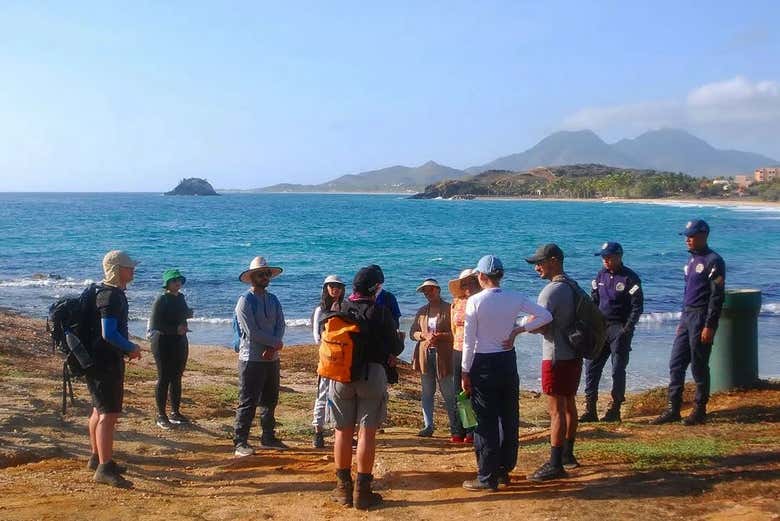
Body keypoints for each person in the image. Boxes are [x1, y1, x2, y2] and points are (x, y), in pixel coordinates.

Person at [460, 255, 552, 491]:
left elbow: (469, 341)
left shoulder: (475, 301)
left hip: (483, 363)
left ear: (481, 276)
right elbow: (546, 316)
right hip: (507, 360)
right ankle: (503, 470)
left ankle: (486, 476)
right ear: (500, 275)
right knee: (508, 415)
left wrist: (464, 371)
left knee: (486, 420)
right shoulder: (515, 297)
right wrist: (518, 330)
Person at [329, 267, 403, 510]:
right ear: (376, 287)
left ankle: (342, 489)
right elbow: (395, 347)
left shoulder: (340, 308)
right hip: (372, 375)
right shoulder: (380, 312)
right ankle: (362, 491)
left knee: (342, 432)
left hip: (341, 375)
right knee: (366, 434)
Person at [652, 219, 725, 426]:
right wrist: (683, 319)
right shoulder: (691, 261)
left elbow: (717, 296)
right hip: (687, 317)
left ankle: (700, 409)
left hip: (702, 317)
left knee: (699, 364)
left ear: (703, 235)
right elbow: (687, 292)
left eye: (691, 236)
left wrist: (710, 325)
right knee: (676, 363)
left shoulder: (714, 261)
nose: (687, 240)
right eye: (686, 236)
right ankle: (673, 408)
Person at [524, 243, 584, 482]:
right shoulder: (573, 285)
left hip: (555, 356)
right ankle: (568, 454)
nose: (536, 267)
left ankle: (555, 463)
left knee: (555, 410)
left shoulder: (550, 291)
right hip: (574, 354)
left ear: (554, 261)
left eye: (540, 262)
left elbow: (539, 325)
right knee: (569, 403)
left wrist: (523, 325)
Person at [86, 250, 142, 488]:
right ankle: (104, 468)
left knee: (98, 411)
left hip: (95, 361)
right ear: (118, 270)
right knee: (108, 415)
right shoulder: (111, 296)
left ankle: (97, 457)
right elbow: (108, 333)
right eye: (129, 267)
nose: (133, 270)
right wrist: (131, 347)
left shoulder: (102, 292)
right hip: (105, 363)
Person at [580, 242, 643, 423]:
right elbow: (594, 301)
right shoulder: (600, 275)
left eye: (608, 257)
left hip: (619, 328)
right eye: (603, 257)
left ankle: (615, 409)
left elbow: (637, 307)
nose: (605, 261)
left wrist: (626, 329)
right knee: (591, 367)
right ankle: (590, 409)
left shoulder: (630, 278)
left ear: (618, 257)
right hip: (600, 329)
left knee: (617, 369)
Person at [233, 256, 287, 457]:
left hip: (271, 358)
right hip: (251, 359)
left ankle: (268, 437)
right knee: (247, 401)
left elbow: (281, 324)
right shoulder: (244, 301)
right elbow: (251, 331)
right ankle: (240, 442)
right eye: (260, 274)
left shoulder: (273, 299)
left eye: (266, 274)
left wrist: (273, 347)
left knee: (270, 400)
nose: (265, 277)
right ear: (252, 277)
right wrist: (274, 343)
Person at [409, 278, 459, 440]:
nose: (427, 293)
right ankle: (428, 425)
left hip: (444, 356)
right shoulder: (422, 311)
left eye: (430, 290)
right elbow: (412, 333)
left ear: (438, 290)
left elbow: (457, 333)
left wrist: (440, 336)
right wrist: (424, 335)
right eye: (425, 291)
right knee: (427, 392)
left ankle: (455, 427)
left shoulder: (449, 309)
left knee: (448, 393)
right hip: (425, 355)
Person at [148, 269, 194, 430]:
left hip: (179, 340)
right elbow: (155, 324)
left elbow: (181, 316)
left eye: (179, 280)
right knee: (164, 377)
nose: (177, 283)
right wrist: (175, 329)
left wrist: (187, 316)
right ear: (167, 283)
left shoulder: (180, 297)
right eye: (174, 280)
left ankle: (175, 412)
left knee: (177, 377)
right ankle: (161, 415)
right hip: (162, 342)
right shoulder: (162, 299)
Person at [311, 274, 346, 448]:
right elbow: (317, 336)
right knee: (323, 394)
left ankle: (340, 432)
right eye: (331, 286)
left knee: (341, 396)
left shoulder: (345, 307)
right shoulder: (320, 310)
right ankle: (318, 432)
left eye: (338, 286)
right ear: (326, 288)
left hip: (342, 360)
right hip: (326, 359)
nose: (335, 289)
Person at [448, 268, 481, 443]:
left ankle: (472, 431)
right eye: (465, 283)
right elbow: (453, 327)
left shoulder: (480, 301)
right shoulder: (456, 302)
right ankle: (459, 429)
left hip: (476, 350)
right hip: (458, 349)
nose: (468, 286)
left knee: (473, 390)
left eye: (471, 282)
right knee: (459, 391)